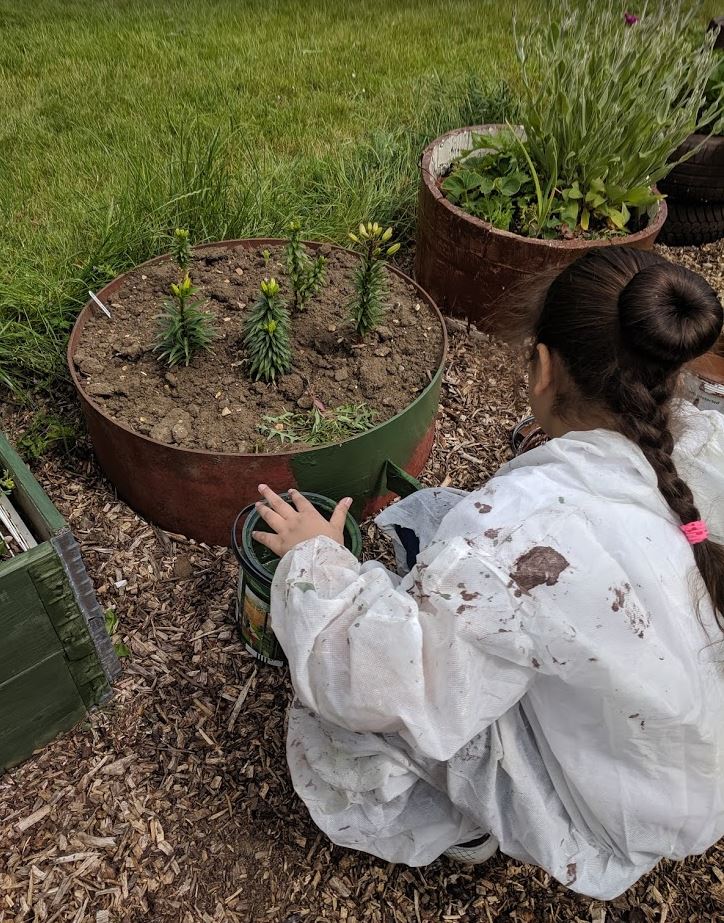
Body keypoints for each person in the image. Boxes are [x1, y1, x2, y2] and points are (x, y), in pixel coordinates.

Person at [251, 247, 724, 900]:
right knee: (445, 521)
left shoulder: (518, 539)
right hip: (684, 757)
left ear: (541, 368)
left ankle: (467, 824)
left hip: (611, 808)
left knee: (343, 721)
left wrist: (319, 561)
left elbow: (375, 684)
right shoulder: (702, 446)